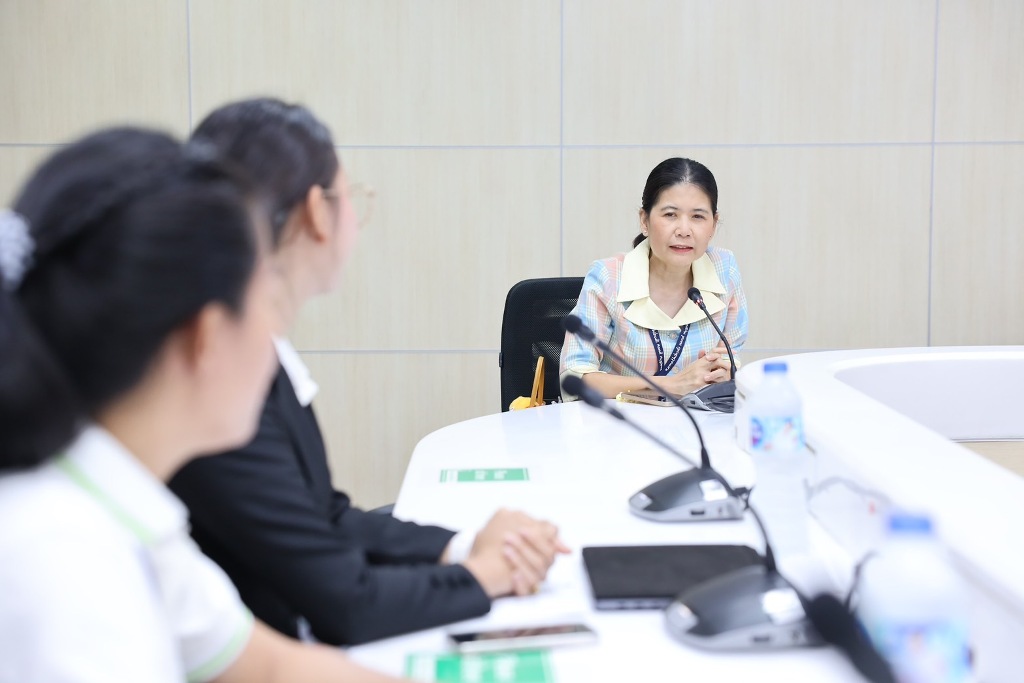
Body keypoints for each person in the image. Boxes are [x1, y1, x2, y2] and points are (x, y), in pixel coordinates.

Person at [0, 127, 403, 682]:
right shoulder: (64, 572)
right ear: (205, 337)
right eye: (264, 300)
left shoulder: (119, 502)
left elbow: (273, 668)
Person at [169, 98, 569, 646]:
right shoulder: (221, 379)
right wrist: (486, 574)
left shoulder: (258, 348)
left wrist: (465, 545)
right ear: (317, 212)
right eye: (351, 198)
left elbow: (326, 517)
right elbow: (345, 604)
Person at [560, 157, 748, 399]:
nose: (684, 230)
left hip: (698, 419)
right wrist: (669, 385)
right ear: (644, 220)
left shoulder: (725, 270)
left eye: (698, 217)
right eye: (670, 214)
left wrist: (725, 374)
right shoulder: (608, 278)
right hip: (617, 420)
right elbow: (575, 379)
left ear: (713, 225)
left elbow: (730, 358)